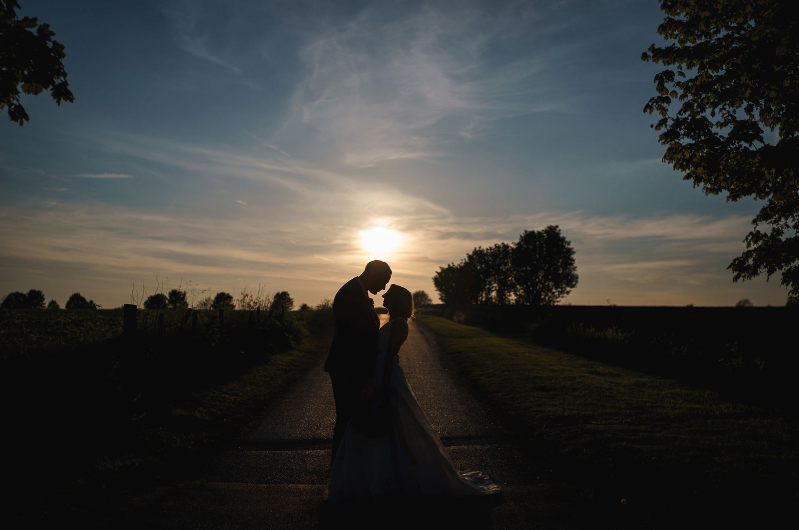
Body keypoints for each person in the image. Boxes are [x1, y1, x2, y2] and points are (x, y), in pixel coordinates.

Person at [326, 284, 499, 501]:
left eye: (388, 294)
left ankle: (390, 479)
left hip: (386, 380)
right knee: (380, 430)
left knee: (390, 425)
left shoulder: (399, 324)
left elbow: (389, 360)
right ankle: (377, 477)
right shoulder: (391, 321)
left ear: (397, 299)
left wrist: (379, 387)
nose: (384, 295)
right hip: (377, 376)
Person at [324, 260, 392, 466]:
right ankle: (338, 470)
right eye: (384, 281)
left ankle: (349, 467)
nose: (383, 288)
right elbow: (353, 338)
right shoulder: (350, 294)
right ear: (373, 274)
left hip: (353, 367)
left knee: (353, 417)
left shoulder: (358, 292)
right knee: (346, 417)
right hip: (348, 367)